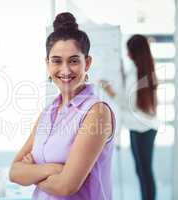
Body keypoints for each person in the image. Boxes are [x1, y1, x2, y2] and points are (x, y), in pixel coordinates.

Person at [9, 12, 115, 199]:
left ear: (87, 63)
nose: (65, 70)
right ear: (47, 63)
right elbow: (14, 172)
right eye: (56, 61)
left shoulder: (97, 112)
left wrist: (32, 171)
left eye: (74, 61)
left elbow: (66, 187)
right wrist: (53, 169)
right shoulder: (48, 110)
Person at [101, 34, 158, 200]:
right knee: (142, 170)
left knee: (144, 171)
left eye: (129, 50)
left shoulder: (136, 73)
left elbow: (130, 104)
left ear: (134, 52)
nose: (127, 54)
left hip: (142, 128)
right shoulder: (143, 69)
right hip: (142, 127)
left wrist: (109, 91)